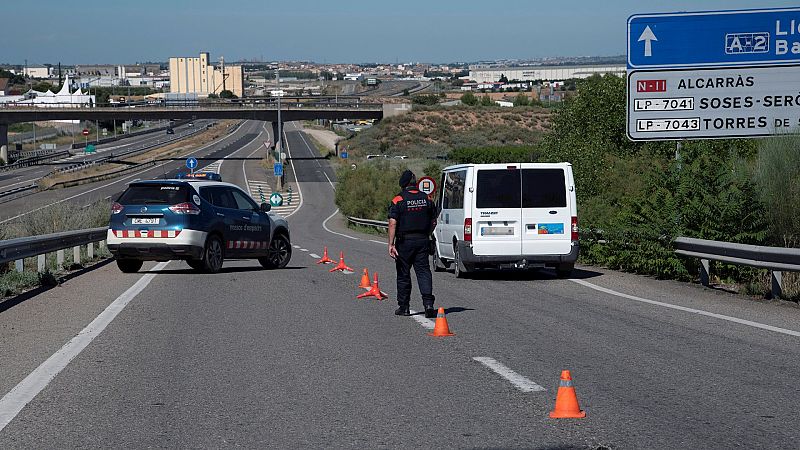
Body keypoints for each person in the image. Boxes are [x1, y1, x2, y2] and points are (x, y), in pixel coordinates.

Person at [388, 170, 437, 318]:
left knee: (403, 274)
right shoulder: (427, 198)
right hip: (422, 240)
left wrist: (391, 244)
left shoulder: (398, 200)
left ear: (403, 184)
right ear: (415, 183)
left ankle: (404, 307)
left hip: (404, 242)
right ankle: (428, 305)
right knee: (423, 272)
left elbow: (392, 223)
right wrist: (427, 234)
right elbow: (434, 221)